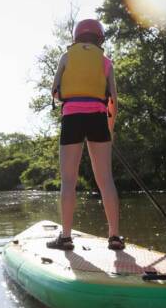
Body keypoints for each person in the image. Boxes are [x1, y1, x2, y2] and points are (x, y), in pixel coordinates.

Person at [47, 19, 124, 251]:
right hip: (98, 118)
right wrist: (109, 129)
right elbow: (113, 100)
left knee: (69, 180)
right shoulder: (106, 62)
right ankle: (114, 237)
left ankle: (66, 237)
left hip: (72, 118)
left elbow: (56, 92)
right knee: (106, 180)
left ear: (76, 37)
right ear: (100, 38)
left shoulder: (66, 57)